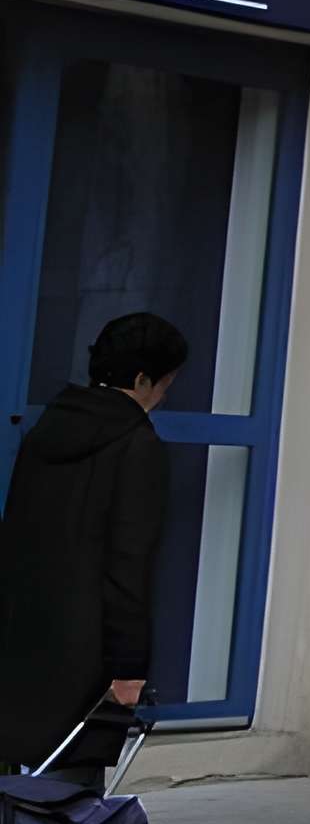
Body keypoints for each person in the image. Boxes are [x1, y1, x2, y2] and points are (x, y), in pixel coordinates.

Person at [0, 312, 188, 786]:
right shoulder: (137, 445)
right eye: (165, 383)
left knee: (21, 792)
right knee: (69, 802)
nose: (164, 396)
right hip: (87, 651)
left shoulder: (46, 428)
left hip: (22, 635)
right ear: (142, 379)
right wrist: (130, 668)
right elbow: (129, 565)